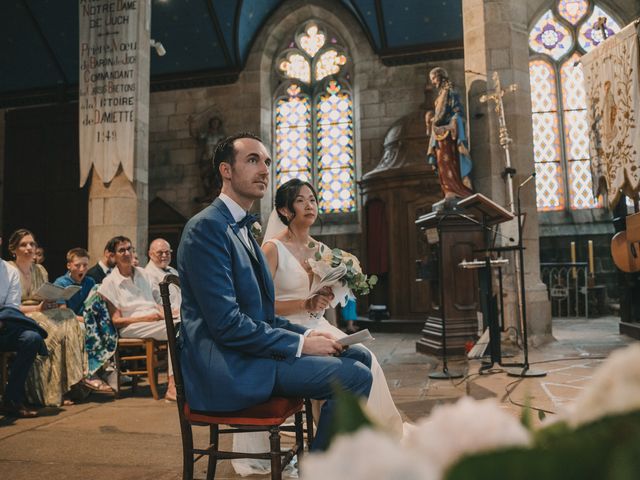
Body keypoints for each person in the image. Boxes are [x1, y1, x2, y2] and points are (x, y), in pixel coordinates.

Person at [178, 133, 373, 454]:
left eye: (267, 161)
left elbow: (263, 316)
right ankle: (325, 472)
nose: (265, 169)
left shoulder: (241, 228)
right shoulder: (206, 227)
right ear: (226, 171)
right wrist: (301, 344)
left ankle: (328, 463)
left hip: (250, 352)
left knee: (359, 355)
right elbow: (227, 324)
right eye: (253, 160)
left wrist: (309, 335)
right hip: (229, 364)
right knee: (352, 376)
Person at [232, 178, 404, 475]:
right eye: (301, 200)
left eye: (312, 199)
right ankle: (328, 454)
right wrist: (305, 303)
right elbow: (259, 308)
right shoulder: (272, 249)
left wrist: (331, 293)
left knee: (367, 358)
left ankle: (351, 443)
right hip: (284, 328)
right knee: (350, 369)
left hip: (317, 322)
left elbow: (325, 298)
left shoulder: (321, 249)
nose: (310, 205)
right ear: (285, 211)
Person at [8, 229, 87, 407]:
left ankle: (70, 384)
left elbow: (45, 297)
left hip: (41, 311)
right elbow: (8, 305)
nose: (29, 248)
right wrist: (37, 307)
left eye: (32, 244)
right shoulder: (8, 269)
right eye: (23, 244)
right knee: (54, 332)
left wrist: (50, 302)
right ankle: (49, 392)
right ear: (14, 249)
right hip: (19, 314)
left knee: (68, 316)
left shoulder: (40, 270)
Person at [98, 236, 177, 401]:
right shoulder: (109, 282)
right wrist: (148, 318)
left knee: (185, 326)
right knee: (175, 329)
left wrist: (168, 313)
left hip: (154, 320)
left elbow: (157, 303)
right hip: (131, 326)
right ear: (113, 256)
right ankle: (172, 386)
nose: (127, 253)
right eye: (121, 250)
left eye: (129, 249)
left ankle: (188, 383)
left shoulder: (144, 274)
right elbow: (116, 321)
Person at [54, 248, 115, 391]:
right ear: (69, 266)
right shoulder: (61, 283)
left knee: (107, 326)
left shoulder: (90, 281)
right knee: (87, 330)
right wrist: (87, 320)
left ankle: (109, 370)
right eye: (78, 265)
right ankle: (89, 373)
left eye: (85, 265)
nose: (82, 269)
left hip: (86, 318)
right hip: (69, 321)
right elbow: (63, 313)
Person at [0, 231, 46, 418]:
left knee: (32, 337)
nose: (29, 248)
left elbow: (12, 306)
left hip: (3, 323)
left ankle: (11, 399)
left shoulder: (9, 272)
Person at [425, 66, 473, 205]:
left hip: (448, 136)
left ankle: (456, 189)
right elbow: (439, 116)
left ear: (441, 76)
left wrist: (449, 126)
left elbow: (458, 112)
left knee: (448, 162)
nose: (433, 82)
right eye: (432, 79)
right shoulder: (440, 96)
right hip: (439, 136)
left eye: (434, 78)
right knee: (441, 163)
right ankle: (448, 190)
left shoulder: (450, 91)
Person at [188, 115, 225, 202]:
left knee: (216, 177)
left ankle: (214, 194)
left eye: (217, 123)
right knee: (205, 177)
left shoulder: (220, 136)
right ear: (210, 124)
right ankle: (207, 194)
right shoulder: (206, 134)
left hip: (215, 159)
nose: (215, 124)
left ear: (219, 125)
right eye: (213, 122)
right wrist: (191, 124)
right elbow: (194, 136)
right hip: (205, 158)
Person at [145, 238, 181, 310]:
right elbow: (154, 304)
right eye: (160, 253)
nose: (164, 255)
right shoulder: (146, 275)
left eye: (167, 252)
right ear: (150, 254)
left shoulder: (173, 271)